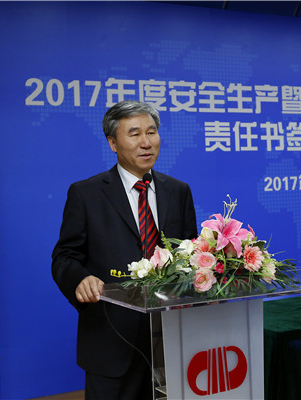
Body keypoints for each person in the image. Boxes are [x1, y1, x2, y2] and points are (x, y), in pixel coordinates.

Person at [52, 100, 198, 399]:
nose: (146, 143)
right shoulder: (87, 193)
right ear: (113, 143)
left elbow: (190, 252)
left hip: (170, 339)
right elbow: (65, 257)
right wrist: (80, 279)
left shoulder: (178, 191)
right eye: (134, 134)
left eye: (152, 132)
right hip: (111, 339)